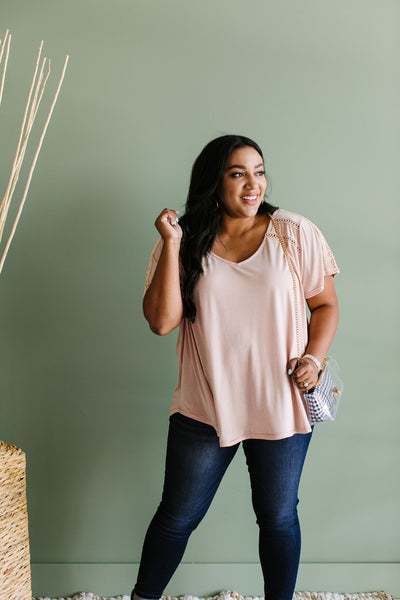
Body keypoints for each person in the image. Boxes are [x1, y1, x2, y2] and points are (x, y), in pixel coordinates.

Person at [132, 135, 340, 600]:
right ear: (213, 181)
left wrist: (314, 358)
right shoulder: (185, 240)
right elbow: (162, 322)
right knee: (177, 515)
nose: (253, 184)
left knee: (279, 517)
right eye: (238, 173)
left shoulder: (293, 233)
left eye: (259, 171)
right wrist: (170, 244)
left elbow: (325, 305)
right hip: (205, 404)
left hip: (282, 404)